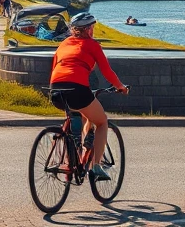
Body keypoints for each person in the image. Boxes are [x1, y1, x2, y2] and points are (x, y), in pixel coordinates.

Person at [49, 12, 129, 181]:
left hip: (55, 89)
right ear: (88, 30)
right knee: (101, 122)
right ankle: (96, 167)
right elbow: (107, 71)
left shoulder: (64, 43)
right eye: (92, 27)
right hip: (78, 89)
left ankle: (71, 164)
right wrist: (120, 87)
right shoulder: (92, 45)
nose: (93, 30)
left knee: (77, 120)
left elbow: (55, 66)